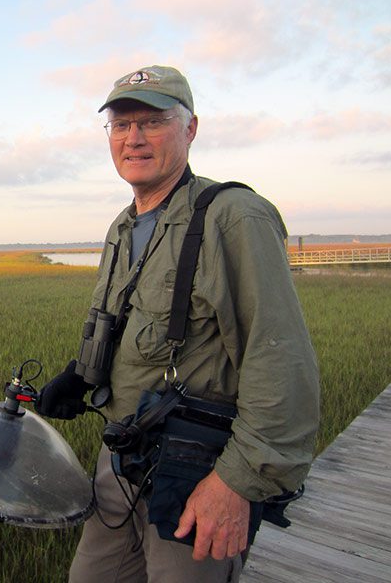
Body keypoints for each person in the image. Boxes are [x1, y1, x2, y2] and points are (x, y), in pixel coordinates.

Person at [35, 65, 320, 582]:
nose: (134, 139)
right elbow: (129, 327)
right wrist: (83, 374)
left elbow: (280, 361)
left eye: (153, 121)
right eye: (121, 126)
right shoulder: (123, 226)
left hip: (198, 472)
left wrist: (234, 484)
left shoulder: (232, 217)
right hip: (121, 460)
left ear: (190, 129)